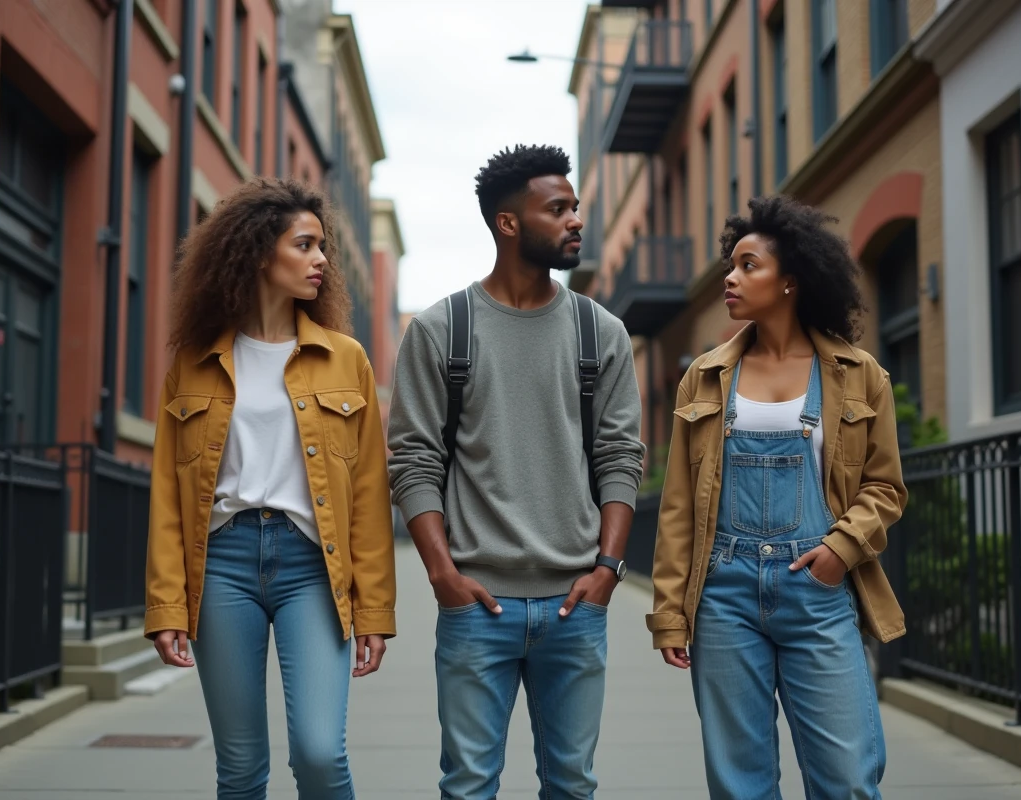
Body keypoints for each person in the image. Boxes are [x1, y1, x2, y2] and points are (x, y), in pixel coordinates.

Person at [387, 145, 645, 799]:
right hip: (477, 605)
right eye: (557, 209)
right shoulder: (441, 330)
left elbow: (620, 455)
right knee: (469, 785)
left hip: (575, 605)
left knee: (572, 784)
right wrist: (442, 575)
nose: (575, 220)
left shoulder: (600, 332)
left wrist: (608, 569)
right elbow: (413, 459)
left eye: (575, 207)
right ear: (508, 223)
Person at [144, 178, 396, 800]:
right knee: (239, 767)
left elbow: (368, 494)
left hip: (313, 567)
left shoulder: (346, 359)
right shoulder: (194, 362)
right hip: (221, 566)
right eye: (304, 245)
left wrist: (374, 610)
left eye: (322, 247)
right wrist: (166, 605)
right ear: (260, 253)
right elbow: (168, 495)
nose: (321, 260)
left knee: (319, 752)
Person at [648, 196, 908, 800]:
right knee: (741, 785)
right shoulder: (703, 376)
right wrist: (669, 614)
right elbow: (679, 507)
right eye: (731, 266)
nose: (730, 278)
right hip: (724, 596)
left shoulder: (858, 374)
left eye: (749, 265)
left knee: (847, 779)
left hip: (817, 591)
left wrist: (839, 551)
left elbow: (885, 487)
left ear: (791, 280)